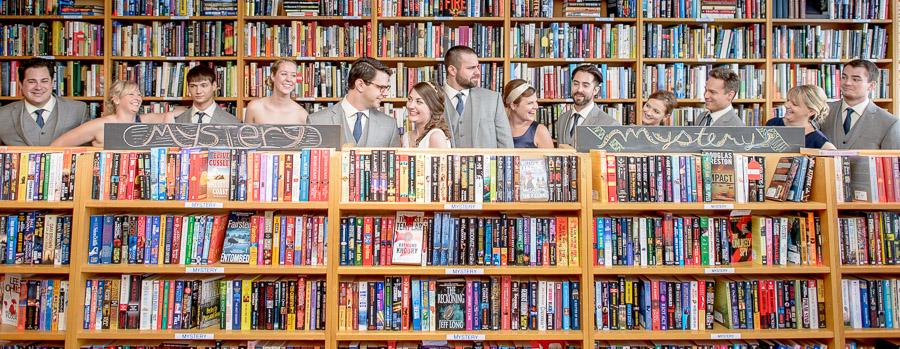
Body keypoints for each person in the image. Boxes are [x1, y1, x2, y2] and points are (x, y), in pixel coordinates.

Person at [50, 80, 184, 147]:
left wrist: (170, 114)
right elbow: (57, 145)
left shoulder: (145, 120)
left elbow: (185, 111)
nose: (137, 98)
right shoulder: (100, 125)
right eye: (131, 94)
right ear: (116, 99)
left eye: (138, 94)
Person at [308, 57, 401, 147]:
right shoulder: (316, 122)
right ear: (360, 85)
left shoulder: (389, 125)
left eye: (386, 88)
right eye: (381, 87)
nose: (386, 93)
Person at [0, 58, 91, 146]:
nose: (38, 87)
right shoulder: (2, 115)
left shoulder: (79, 110)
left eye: (44, 81)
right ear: (21, 84)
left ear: (52, 83)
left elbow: (88, 151)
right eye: (32, 82)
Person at [442, 45, 513, 148]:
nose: (478, 72)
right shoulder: (431, 99)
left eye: (477, 67)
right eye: (471, 68)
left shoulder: (493, 99)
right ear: (452, 70)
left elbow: (506, 145)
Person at [820, 59, 900, 149]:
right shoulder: (822, 111)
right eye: (844, 77)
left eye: (856, 79)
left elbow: (891, 162)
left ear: (872, 85)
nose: (847, 83)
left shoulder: (889, 123)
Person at [556, 64, 619, 148]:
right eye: (576, 84)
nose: (579, 89)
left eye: (585, 85)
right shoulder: (562, 119)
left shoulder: (610, 124)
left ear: (595, 90)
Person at [765, 85, 835, 149]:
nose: (786, 105)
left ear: (811, 111)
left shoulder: (819, 141)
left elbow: (835, 158)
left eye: (794, 104)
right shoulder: (773, 123)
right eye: (788, 101)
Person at [243, 59, 308, 124]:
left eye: (293, 75)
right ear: (273, 76)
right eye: (284, 74)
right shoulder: (254, 107)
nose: (289, 79)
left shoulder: (302, 115)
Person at [174, 65, 240, 124]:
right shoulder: (175, 121)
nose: (198, 91)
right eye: (193, 86)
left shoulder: (233, 122)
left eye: (204, 85)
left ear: (214, 86)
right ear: (188, 88)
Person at [502, 79, 552, 149]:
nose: (536, 107)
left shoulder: (540, 131)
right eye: (530, 103)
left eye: (536, 101)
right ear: (513, 106)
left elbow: (550, 160)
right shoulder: (498, 129)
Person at [403, 82, 451, 148]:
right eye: (410, 99)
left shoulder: (436, 136)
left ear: (433, 107)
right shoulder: (406, 137)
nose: (411, 106)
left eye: (419, 102)